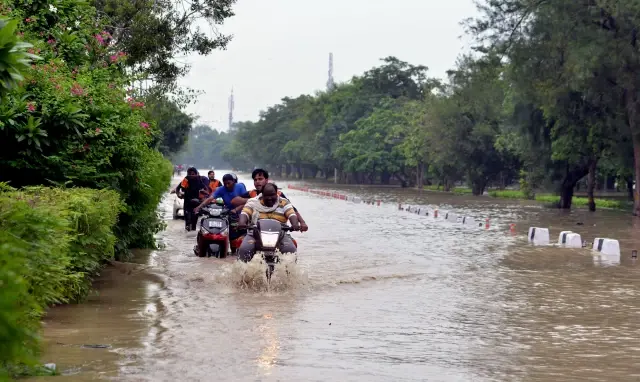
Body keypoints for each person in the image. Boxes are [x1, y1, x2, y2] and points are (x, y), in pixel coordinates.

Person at [236, 183, 299, 262]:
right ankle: (242, 272)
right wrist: (242, 222)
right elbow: (245, 213)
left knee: (290, 250)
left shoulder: (284, 202)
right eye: (266, 195)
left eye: (272, 195)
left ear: (276, 193)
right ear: (262, 195)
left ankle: (289, 273)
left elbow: (292, 214)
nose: (269, 198)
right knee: (245, 249)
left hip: (281, 234)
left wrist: (295, 224)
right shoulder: (253, 202)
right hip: (255, 234)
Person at [231, 168, 309, 232]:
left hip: (277, 230)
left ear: (266, 180)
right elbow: (234, 201)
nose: (257, 182)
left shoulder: (278, 195)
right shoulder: (252, 194)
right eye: (255, 180)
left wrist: (302, 223)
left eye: (260, 179)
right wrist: (254, 200)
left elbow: (291, 210)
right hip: (256, 230)